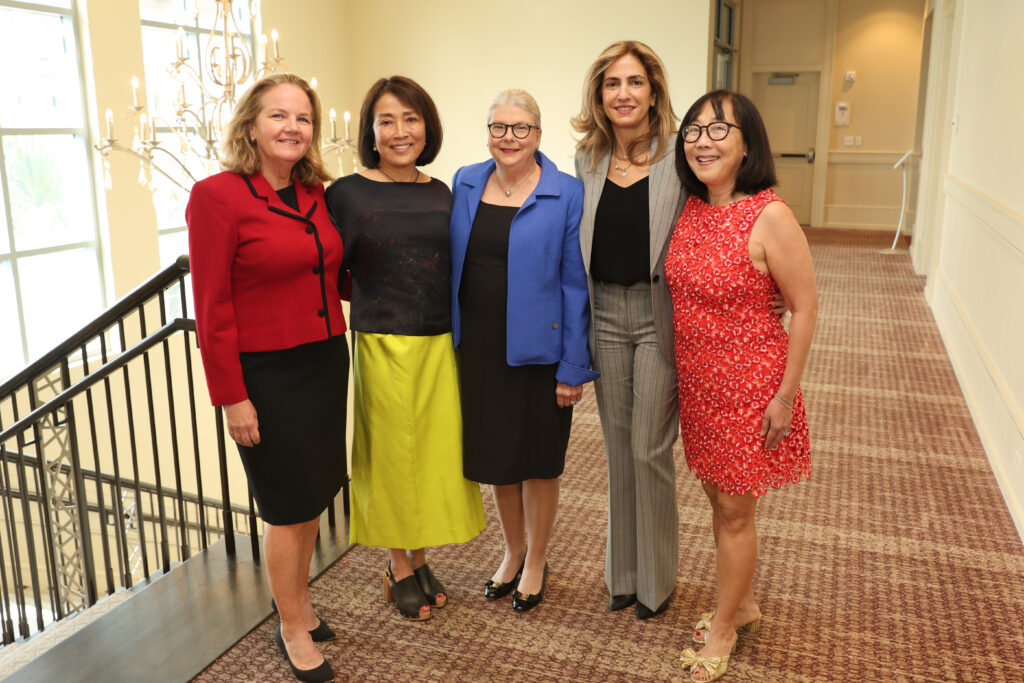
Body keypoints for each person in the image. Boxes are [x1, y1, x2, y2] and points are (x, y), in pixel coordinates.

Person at [188, 74, 341, 683]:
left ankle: (298, 602)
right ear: (250, 125)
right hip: (266, 374)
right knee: (285, 504)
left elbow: (333, 270)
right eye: (278, 116)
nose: (292, 128)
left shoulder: (319, 193)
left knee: (313, 498)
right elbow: (212, 306)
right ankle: (291, 625)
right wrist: (232, 398)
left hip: (326, 361)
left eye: (302, 118)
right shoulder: (217, 196)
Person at [665, 90, 817, 682]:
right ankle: (744, 602)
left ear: (747, 142)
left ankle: (726, 626)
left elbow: (803, 308)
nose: (702, 141)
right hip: (700, 384)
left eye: (718, 129)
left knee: (733, 512)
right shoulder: (693, 208)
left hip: (751, 384)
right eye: (693, 131)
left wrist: (784, 396)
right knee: (718, 498)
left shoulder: (770, 215)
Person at [324, 76, 486, 623]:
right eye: (387, 120)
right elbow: (326, 268)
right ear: (371, 130)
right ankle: (397, 565)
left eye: (411, 119)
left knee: (434, 455)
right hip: (382, 338)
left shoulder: (443, 191)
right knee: (394, 456)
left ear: (427, 127)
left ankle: (419, 558)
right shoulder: (345, 193)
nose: (400, 131)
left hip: (441, 338)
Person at [450, 89, 598, 613]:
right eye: (498, 127)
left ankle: (537, 559)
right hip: (480, 348)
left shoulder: (565, 192)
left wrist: (573, 365)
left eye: (520, 128)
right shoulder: (466, 181)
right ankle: (511, 553)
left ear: (538, 134)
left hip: (540, 351)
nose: (508, 138)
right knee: (499, 461)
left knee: (538, 462)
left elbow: (576, 283)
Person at [570, 40, 685, 620]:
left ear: (653, 91)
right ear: (600, 95)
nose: (624, 94)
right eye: (613, 84)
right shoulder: (585, 160)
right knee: (618, 451)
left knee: (649, 448)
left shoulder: (678, 157)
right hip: (606, 317)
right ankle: (624, 575)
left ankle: (657, 581)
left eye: (635, 82)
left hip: (656, 314)